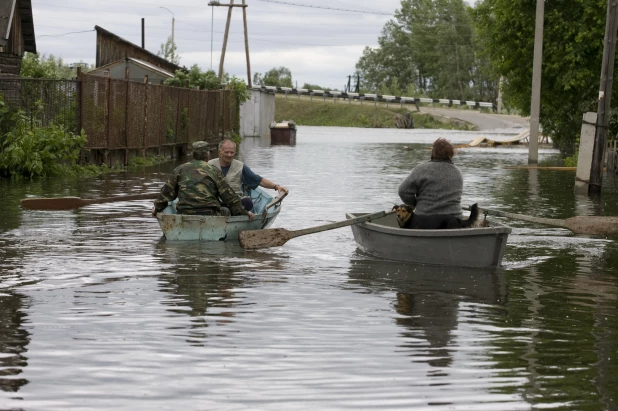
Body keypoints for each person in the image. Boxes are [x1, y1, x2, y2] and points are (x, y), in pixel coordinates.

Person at [152, 141, 254, 219]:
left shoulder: (179, 169)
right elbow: (229, 197)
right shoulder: (214, 170)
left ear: (194, 154)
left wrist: (157, 208)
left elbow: (166, 193)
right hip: (210, 213)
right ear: (207, 154)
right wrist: (244, 212)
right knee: (226, 211)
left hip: (184, 213)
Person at [208, 139, 289, 210]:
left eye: (231, 152)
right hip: (215, 201)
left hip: (235, 202)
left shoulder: (240, 166)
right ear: (219, 152)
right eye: (226, 152)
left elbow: (258, 180)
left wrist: (276, 187)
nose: (229, 155)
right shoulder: (209, 165)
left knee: (248, 202)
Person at [398, 138, 463, 217]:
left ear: (433, 152)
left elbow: (403, 191)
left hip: (425, 219)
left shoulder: (421, 169)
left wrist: (415, 204)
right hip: (455, 220)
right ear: (451, 153)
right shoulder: (457, 172)